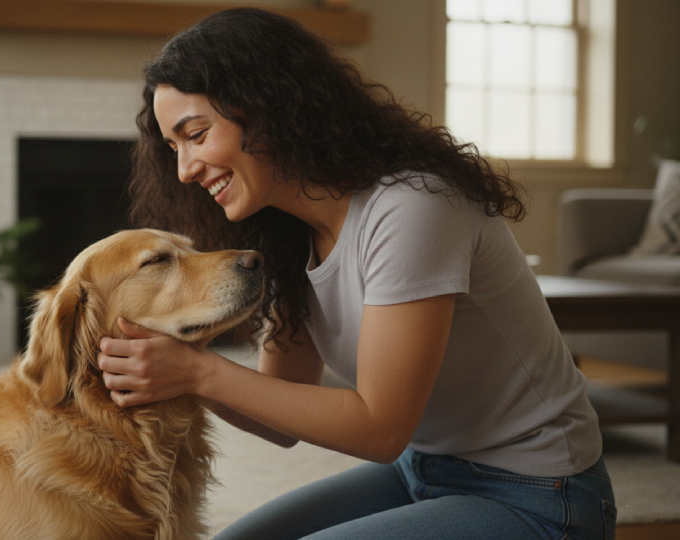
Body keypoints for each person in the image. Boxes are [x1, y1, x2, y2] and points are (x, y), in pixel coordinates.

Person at [97, 8, 616, 540]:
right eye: (173, 147)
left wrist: (197, 372)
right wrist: (168, 367)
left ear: (267, 107)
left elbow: (381, 429)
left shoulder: (411, 208)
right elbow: (281, 412)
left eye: (196, 134)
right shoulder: (285, 231)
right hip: (423, 471)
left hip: (542, 495)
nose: (184, 169)